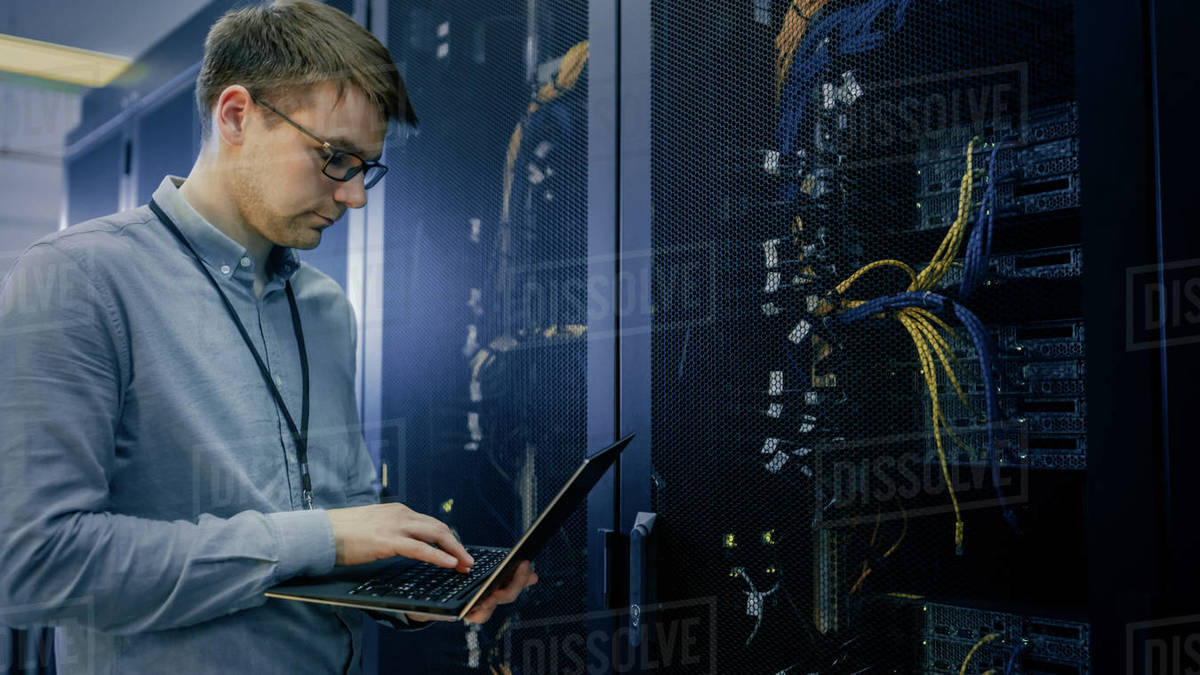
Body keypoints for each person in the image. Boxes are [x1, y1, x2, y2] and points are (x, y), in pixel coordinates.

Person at [0, 1, 536, 672]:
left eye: (365, 167)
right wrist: (321, 536)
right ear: (235, 116)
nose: (355, 197)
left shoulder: (325, 308)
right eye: (335, 157)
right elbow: (31, 564)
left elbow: (339, 523)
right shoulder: (79, 280)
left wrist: (412, 582)